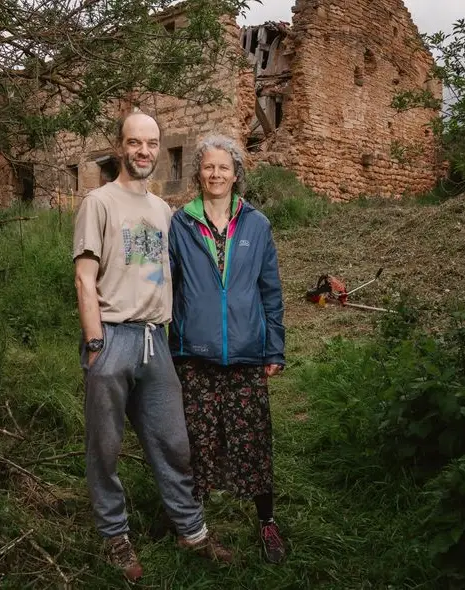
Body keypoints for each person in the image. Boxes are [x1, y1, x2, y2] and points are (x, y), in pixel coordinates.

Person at [72, 112, 234, 582]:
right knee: (105, 447)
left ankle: (191, 529)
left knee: (174, 442)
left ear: (159, 148)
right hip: (112, 336)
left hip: (154, 341)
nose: (143, 151)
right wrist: (96, 342)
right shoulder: (98, 202)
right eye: (134, 142)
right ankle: (115, 536)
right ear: (120, 146)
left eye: (151, 143)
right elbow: (84, 278)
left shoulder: (164, 211)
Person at [167, 133, 287, 564]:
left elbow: (270, 292)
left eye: (224, 167)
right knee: (195, 440)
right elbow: (167, 285)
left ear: (237, 174)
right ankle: (194, 526)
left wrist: (274, 348)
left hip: (245, 352)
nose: (215, 174)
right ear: (198, 173)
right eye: (208, 167)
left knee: (253, 438)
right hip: (193, 354)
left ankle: (267, 522)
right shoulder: (179, 224)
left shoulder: (257, 224)